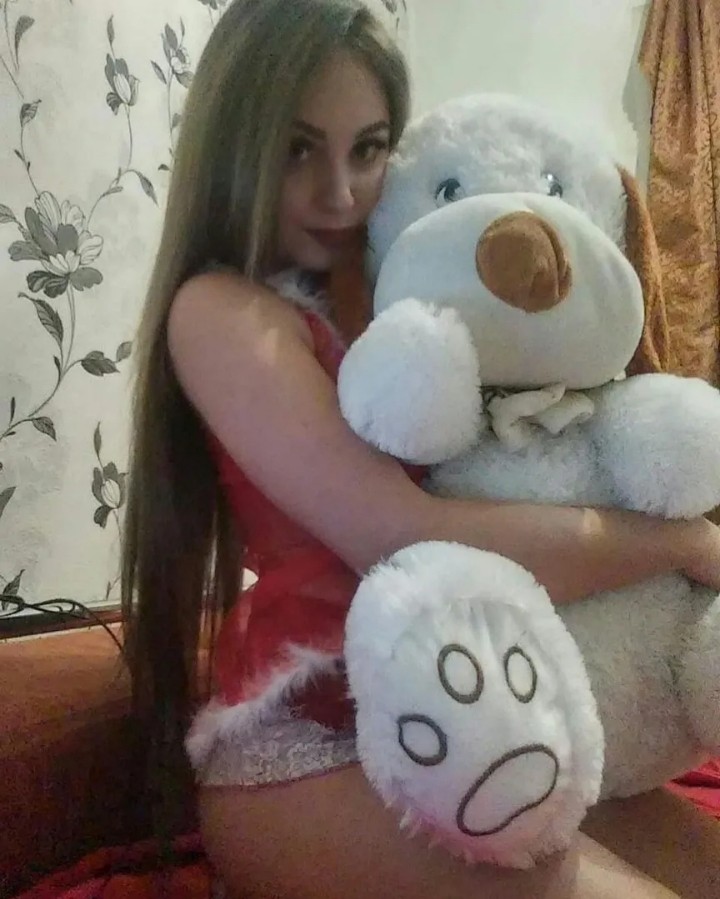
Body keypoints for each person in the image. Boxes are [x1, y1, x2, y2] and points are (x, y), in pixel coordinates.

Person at [121, 1, 720, 896]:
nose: (340, 193)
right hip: (307, 747)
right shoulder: (222, 310)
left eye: (367, 149)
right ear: (236, 147)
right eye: (297, 149)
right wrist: (681, 542)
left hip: (484, 714)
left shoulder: (402, 286)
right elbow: (399, 534)